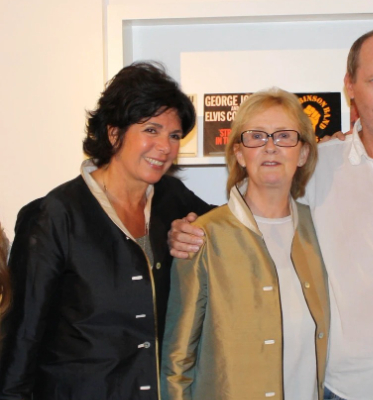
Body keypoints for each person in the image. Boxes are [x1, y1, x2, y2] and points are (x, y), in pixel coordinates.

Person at [170, 28, 373, 400]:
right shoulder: (319, 166)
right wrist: (189, 229)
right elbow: (257, 206)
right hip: (345, 387)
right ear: (350, 86)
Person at [0, 62, 213, 399]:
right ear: (114, 134)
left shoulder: (173, 200)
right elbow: (22, 338)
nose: (166, 147)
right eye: (152, 130)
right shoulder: (54, 215)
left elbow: (234, 230)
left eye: (174, 136)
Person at [160, 87, 328, 400]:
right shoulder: (203, 237)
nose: (271, 147)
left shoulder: (321, 230)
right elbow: (177, 362)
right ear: (239, 152)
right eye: (257, 136)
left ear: (303, 153)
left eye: (284, 136)